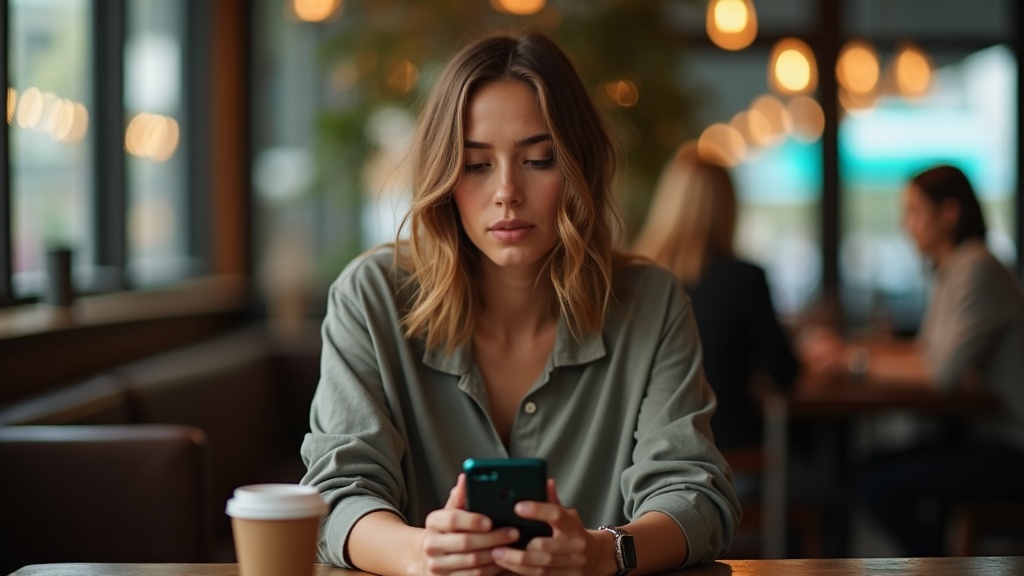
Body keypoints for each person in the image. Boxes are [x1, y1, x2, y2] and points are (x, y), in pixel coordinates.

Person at [300, 32, 740, 576]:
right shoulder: (370, 298)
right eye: (476, 164)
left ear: (578, 168)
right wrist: (421, 554)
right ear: (443, 176)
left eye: (538, 159)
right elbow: (336, 495)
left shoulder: (651, 303)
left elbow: (696, 496)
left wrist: (603, 552)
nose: (507, 191)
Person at [802, 164, 1024, 556]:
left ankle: (943, 567)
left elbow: (943, 373)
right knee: (867, 470)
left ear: (949, 213)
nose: (906, 225)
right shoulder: (957, 267)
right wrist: (851, 350)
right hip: (986, 435)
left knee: (872, 482)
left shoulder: (976, 267)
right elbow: (926, 352)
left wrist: (853, 361)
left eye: (914, 211)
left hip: (1011, 445)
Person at [632, 142, 800, 452]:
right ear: (728, 208)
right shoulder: (744, 278)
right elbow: (784, 371)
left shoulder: (633, 278)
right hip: (725, 447)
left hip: (644, 449)